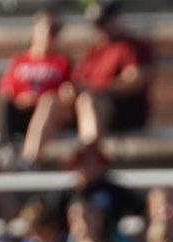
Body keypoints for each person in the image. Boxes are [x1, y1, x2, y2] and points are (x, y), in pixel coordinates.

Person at [73, 1, 154, 147]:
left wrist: (100, 89)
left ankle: (90, 151)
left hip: (126, 109)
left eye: (104, 22)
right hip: (88, 105)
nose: (101, 28)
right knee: (54, 101)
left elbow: (136, 80)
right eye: (98, 24)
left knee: (90, 99)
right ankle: (30, 158)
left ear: (117, 19)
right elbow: (78, 79)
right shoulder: (94, 50)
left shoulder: (133, 46)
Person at [0, 8, 74, 165]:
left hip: (49, 112)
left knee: (49, 101)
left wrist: (40, 98)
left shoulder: (62, 61)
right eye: (47, 28)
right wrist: (21, 98)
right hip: (22, 110)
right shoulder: (19, 60)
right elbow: (6, 88)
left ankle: (29, 159)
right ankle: (7, 147)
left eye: (55, 30)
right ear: (35, 30)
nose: (50, 34)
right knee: (6, 102)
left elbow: (68, 92)